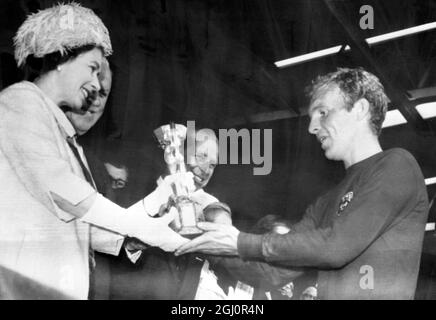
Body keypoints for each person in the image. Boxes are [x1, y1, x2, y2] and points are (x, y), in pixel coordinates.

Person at [176, 67, 430, 300]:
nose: (311, 127)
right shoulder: (325, 202)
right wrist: (205, 237)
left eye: (322, 112)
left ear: (360, 109)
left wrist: (240, 241)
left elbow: (337, 246)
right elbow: (270, 273)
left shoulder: (396, 165)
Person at [0, 3, 191, 300]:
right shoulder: (19, 101)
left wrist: (157, 202)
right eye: (92, 68)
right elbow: (63, 191)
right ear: (60, 57)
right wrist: (141, 227)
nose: (95, 84)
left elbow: (88, 228)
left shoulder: (64, 136)